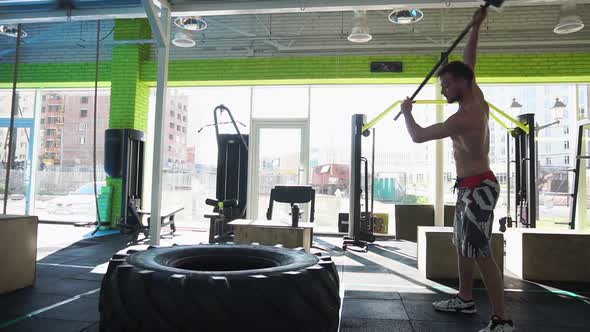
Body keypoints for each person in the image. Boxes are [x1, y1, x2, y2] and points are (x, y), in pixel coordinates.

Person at [399, 6, 515, 332]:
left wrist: (407, 111)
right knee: (463, 245)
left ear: (463, 83)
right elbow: (469, 57)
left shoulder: (464, 116)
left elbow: (419, 136)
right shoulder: (472, 94)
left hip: (479, 187)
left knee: (480, 252)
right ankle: (465, 299)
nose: (443, 90)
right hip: (469, 187)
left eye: (447, 85)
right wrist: (476, 24)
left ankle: (502, 320)